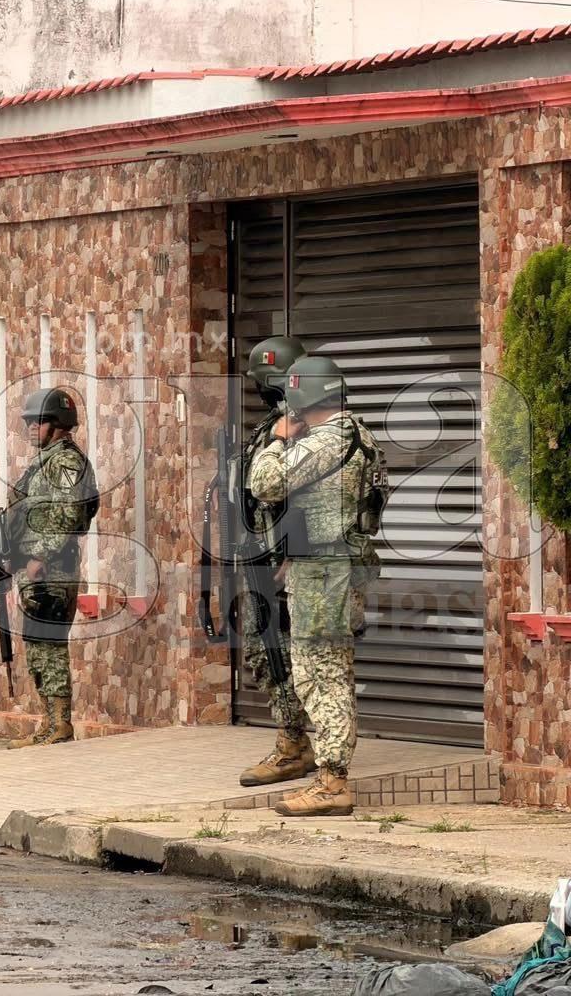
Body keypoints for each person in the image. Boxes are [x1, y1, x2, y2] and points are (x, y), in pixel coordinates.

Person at [248, 356, 385, 817]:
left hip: (325, 574)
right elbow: (337, 506)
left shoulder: (326, 441)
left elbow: (264, 483)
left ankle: (331, 783)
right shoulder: (359, 435)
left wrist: (276, 441)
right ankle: (330, 776)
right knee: (334, 670)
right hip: (338, 564)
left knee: (319, 673)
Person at [235, 336, 317, 789]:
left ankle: (295, 745)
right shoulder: (278, 424)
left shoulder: (300, 428)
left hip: (282, 562)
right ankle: (296, 741)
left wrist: (292, 556)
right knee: (265, 650)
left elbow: (306, 499)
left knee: (283, 652)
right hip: (263, 555)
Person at [5, 387, 98, 749]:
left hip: (52, 571)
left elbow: (68, 511)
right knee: (38, 645)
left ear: (57, 424)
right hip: (38, 569)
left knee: (49, 645)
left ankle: (60, 725)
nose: (31, 427)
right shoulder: (48, 459)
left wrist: (40, 556)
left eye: (38, 421)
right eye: (28, 421)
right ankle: (48, 723)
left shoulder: (65, 462)